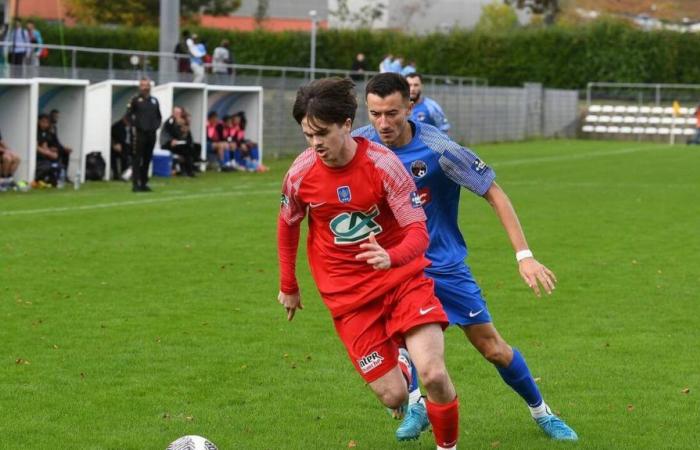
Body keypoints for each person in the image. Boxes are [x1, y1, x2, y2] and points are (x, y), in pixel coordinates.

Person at [353, 73, 578, 442]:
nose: (383, 123)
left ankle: (543, 413)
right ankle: (418, 405)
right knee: (400, 346)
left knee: (492, 348)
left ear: (410, 107)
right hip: (394, 268)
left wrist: (525, 256)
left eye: (392, 113)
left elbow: (495, 193)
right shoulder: (360, 145)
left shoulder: (439, 149)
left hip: (443, 267)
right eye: (375, 113)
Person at [278, 77, 460, 449]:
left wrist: (389, 257)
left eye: (322, 134)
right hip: (349, 299)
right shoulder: (300, 173)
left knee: (435, 375)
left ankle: (447, 447)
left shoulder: (384, 164)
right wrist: (289, 285)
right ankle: (402, 367)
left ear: (346, 125)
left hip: (402, 282)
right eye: (307, 135)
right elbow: (288, 224)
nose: (315, 144)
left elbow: (418, 232)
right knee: (393, 397)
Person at [126, 77, 162, 192]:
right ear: (140, 87)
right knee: (137, 158)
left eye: (147, 85)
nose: (145, 88)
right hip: (140, 133)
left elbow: (158, 116)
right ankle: (135, 183)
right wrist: (135, 126)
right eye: (143, 85)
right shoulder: (135, 100)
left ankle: (144, 182)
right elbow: (128, 116)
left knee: (147, 158)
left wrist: (156, 126)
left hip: (151, 133)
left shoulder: (154, 101)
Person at [160, 106, 197, 177]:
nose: (177, 114)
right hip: (168, 143)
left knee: (190, 147)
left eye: (179, 113)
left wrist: (185, 130)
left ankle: (188, 169)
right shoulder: (170, 122)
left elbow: (186, 137)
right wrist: (173, 139)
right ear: (172, 113)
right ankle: (188, 171)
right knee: (186, 150)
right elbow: (171, 135)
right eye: (176, 112)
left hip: (178, 143)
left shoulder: (182, 122)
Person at [36, 113, 61, 186]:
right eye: (43, 122)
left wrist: (51, 151)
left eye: (47, 122)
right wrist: (49, 153)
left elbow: (45, 146)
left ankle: (52, 181)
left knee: (57, 165)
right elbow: (36, 147)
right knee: (47, 165)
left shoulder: (46, 133)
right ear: (38, 121)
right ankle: (38, 180)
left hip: (45, 157)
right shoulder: (35, 131)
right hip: (37, 157)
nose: (45, 124)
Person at [49, 109, 73, 181]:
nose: (56, 118)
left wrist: (63, 148)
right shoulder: (47, 128)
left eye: (57, 117)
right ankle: (56, 176)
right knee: (58, 154)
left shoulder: (54, 127)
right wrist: (50, 148)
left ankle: (64, 174)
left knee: (66, 152)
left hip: (55, 148)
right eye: (55, 116)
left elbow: (56, 141)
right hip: (49, 149)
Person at [111, 114, 132, 180]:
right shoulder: (117, 126)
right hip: (120, 146)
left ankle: (127, 174)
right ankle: (117, 174)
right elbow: (112, 136)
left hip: (130, 146)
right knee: (114, 155)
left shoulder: (133, 127)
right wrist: (115, 144)